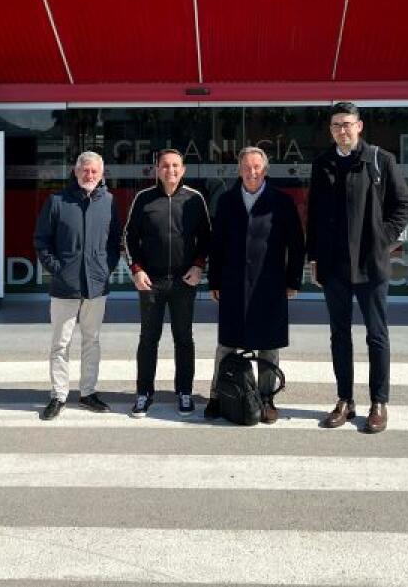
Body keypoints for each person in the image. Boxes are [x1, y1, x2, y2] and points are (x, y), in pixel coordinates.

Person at [307, 101, 408, 434]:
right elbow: (313, 215)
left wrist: (380, 239)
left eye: (347, 124)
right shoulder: (323, 163)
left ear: (359, 126)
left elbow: (404, 205)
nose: (342, 130)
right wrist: (314, 259)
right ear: (331, 130)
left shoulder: (380, 160)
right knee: (339, 336)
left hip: (371, 265)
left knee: (377, 336)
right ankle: (344, 401)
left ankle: (379, 403)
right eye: (336, 125)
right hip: (334, 266)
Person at [204, 146, 304, 425]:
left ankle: (266, 399)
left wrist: (293, 279)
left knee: (269, 346)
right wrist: (214, 280)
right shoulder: (226, 200)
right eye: (246, 167)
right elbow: (217, 245)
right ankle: (217, 395)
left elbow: (296, 244)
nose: (252, 172)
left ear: (265, 169)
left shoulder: (281, 202)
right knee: (226, 344)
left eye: (257, 167)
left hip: (270, 284)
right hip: (233, 283)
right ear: (239, 170)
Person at [33, 151, 123, 421]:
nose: (90, 175)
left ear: (101, 173)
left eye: (95, 171)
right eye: (85, 170)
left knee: (92, 341)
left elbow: (115, 241)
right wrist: (58, 271)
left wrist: (104, 268)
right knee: (60, 344)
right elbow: (41, 240)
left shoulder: (108, 201)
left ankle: (88, 392)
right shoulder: (57, 201)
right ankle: (59, 395)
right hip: (65, 287)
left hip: (96, 286)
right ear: (75, 172)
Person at [123, 148, 212, 417]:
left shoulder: (195, 199)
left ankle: (184, 391)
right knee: (148, 339)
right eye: (165, 166)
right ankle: (143, 392)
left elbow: (207, 237)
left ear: (183, 170)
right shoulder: (144, 199)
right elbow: (129, 237)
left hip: (184, 281)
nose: (170, 170)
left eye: (175, 166)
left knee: (183, 338)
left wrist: (198, 267)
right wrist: (136, 269)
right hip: (151, 280)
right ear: (156, 170)